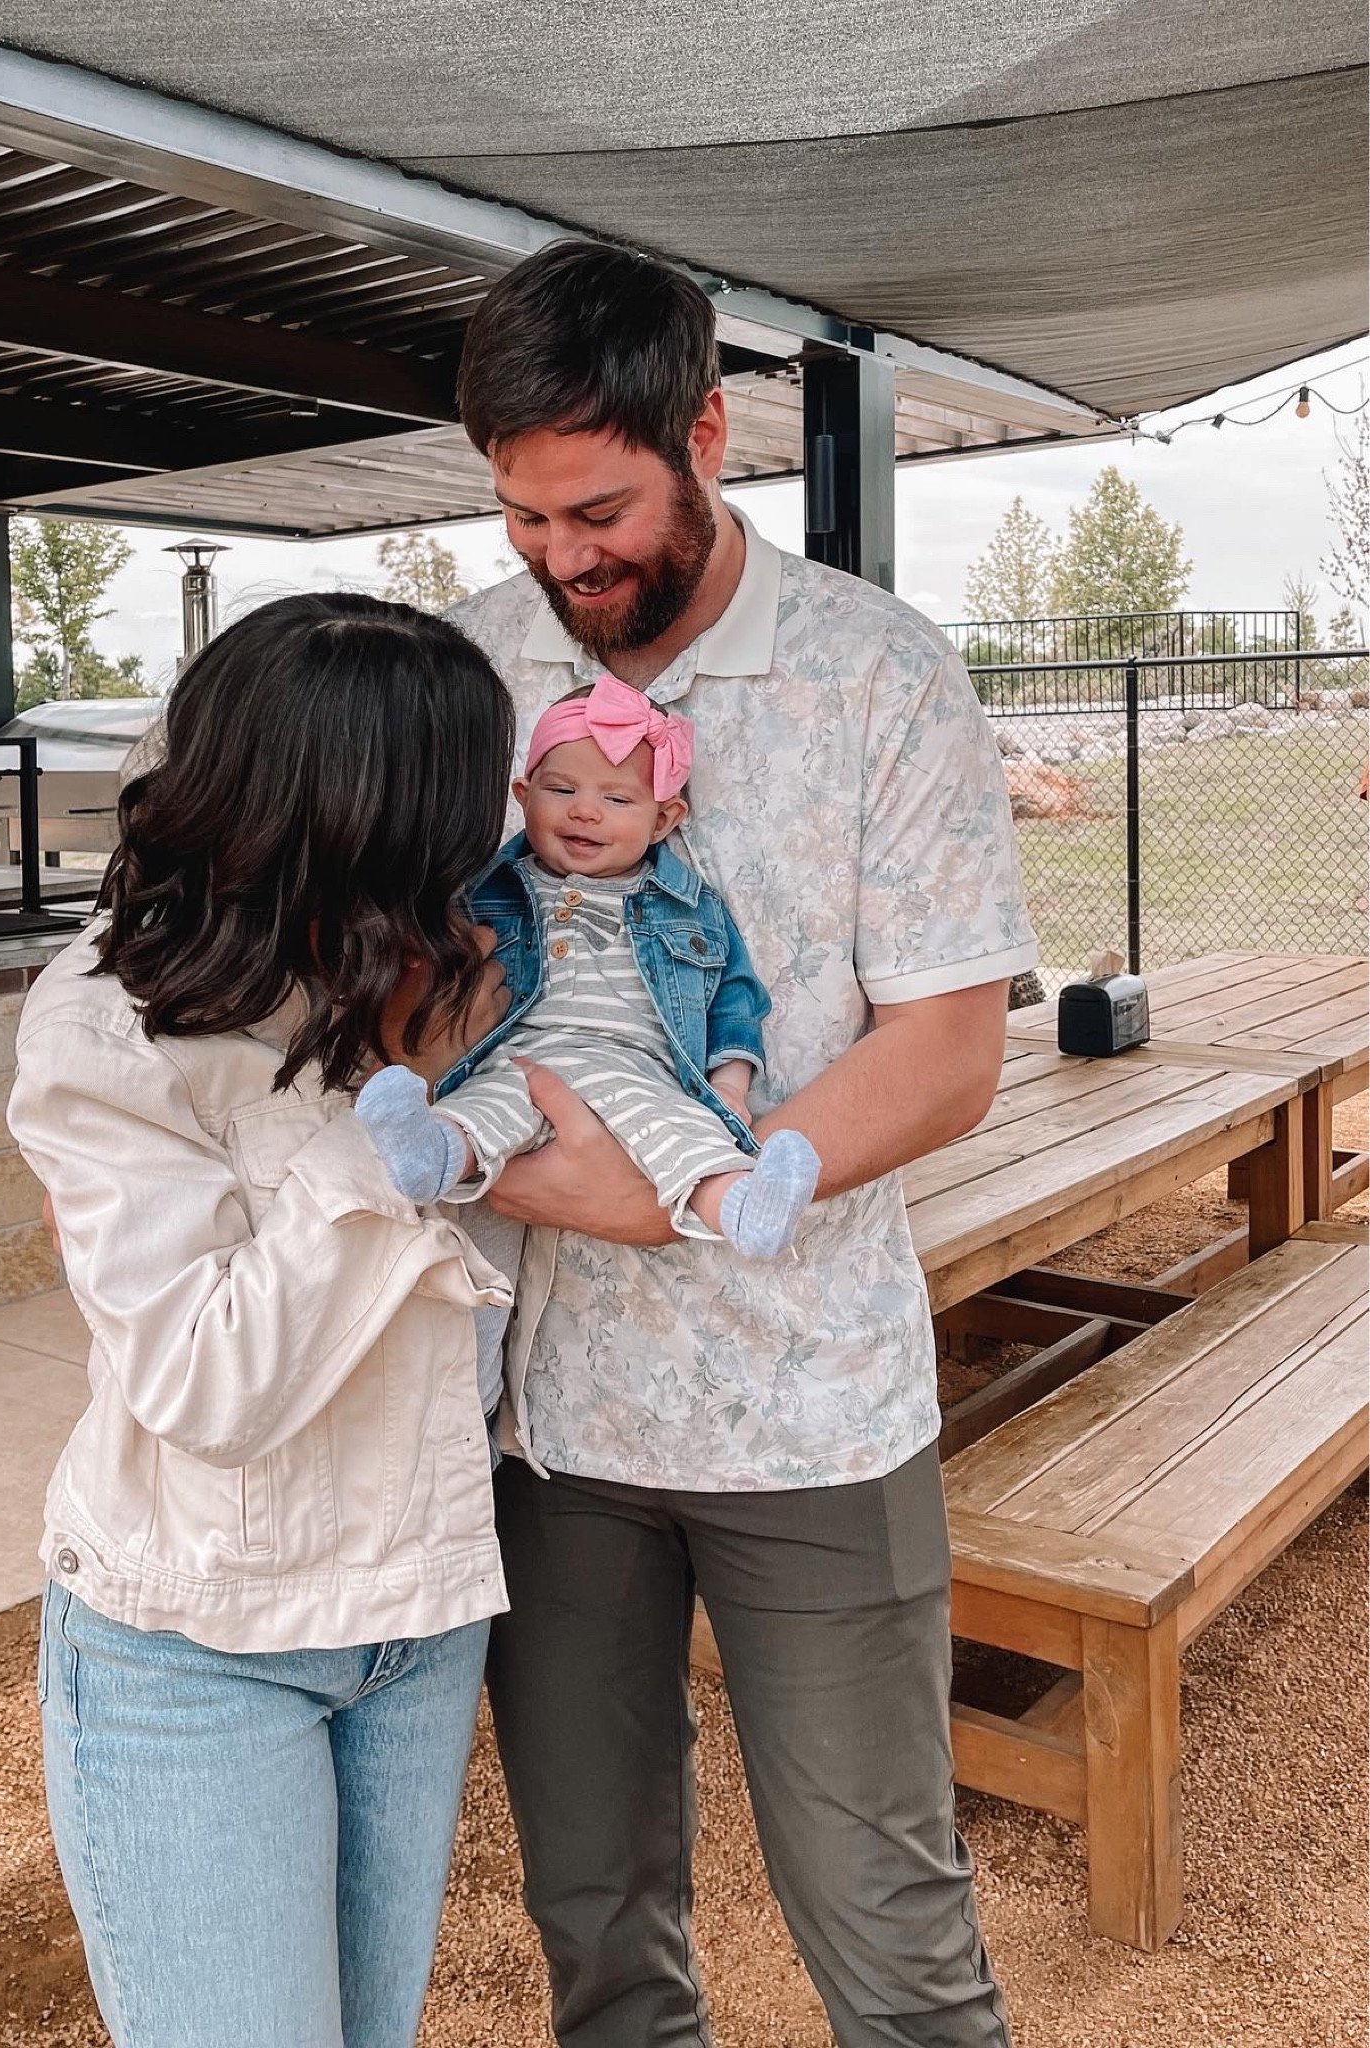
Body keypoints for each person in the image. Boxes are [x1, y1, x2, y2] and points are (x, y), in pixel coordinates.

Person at [446, 241, 1038, 2048]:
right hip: (541, 1421)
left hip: (810, 1406)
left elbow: (944, 1049)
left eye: (599, 511)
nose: (561, 560)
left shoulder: (873, 671)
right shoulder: (466, 666)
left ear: (703, 435)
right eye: (522, 515)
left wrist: (681, 1196)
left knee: (887, 1925)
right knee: (595, 1922)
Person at [6, 593, 518, 2048]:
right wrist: (391, 1122)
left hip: (419, 1611)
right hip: (196, 1636)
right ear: (358, 814)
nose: (488, 840)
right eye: (459, 807)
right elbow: (207, 1384)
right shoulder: (112, 1021)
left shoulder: (441, 967)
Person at [355, 673, 821, 1257]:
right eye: (561, 790)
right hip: (517, 1060)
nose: (584, 812)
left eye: (617, 799)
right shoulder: (487, 890)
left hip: (638, 1072)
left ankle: (744, 1207)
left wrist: (729, 1084)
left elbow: (734, 997)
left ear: (663, 820)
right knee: (481, 1109)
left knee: (684, 1136)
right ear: (523, 796)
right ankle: (430, 1153)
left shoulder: (690, 907)